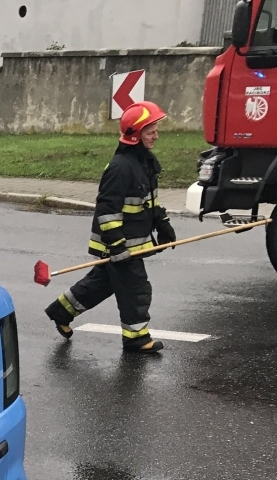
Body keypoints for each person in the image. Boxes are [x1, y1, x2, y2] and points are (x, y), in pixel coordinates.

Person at [45, 100, 175, 356]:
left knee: (101, 284)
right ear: (136, 134)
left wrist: (163, 224)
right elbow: (107, 211)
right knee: (136, 288)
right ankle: (136, 338)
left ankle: (61, 311)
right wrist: (117, 246)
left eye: (156, 130)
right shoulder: (120, 168)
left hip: (129, 244)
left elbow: (149, 202)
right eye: (151, 131)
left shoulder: (145, 163)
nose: (156, 136)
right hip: (118, 244)